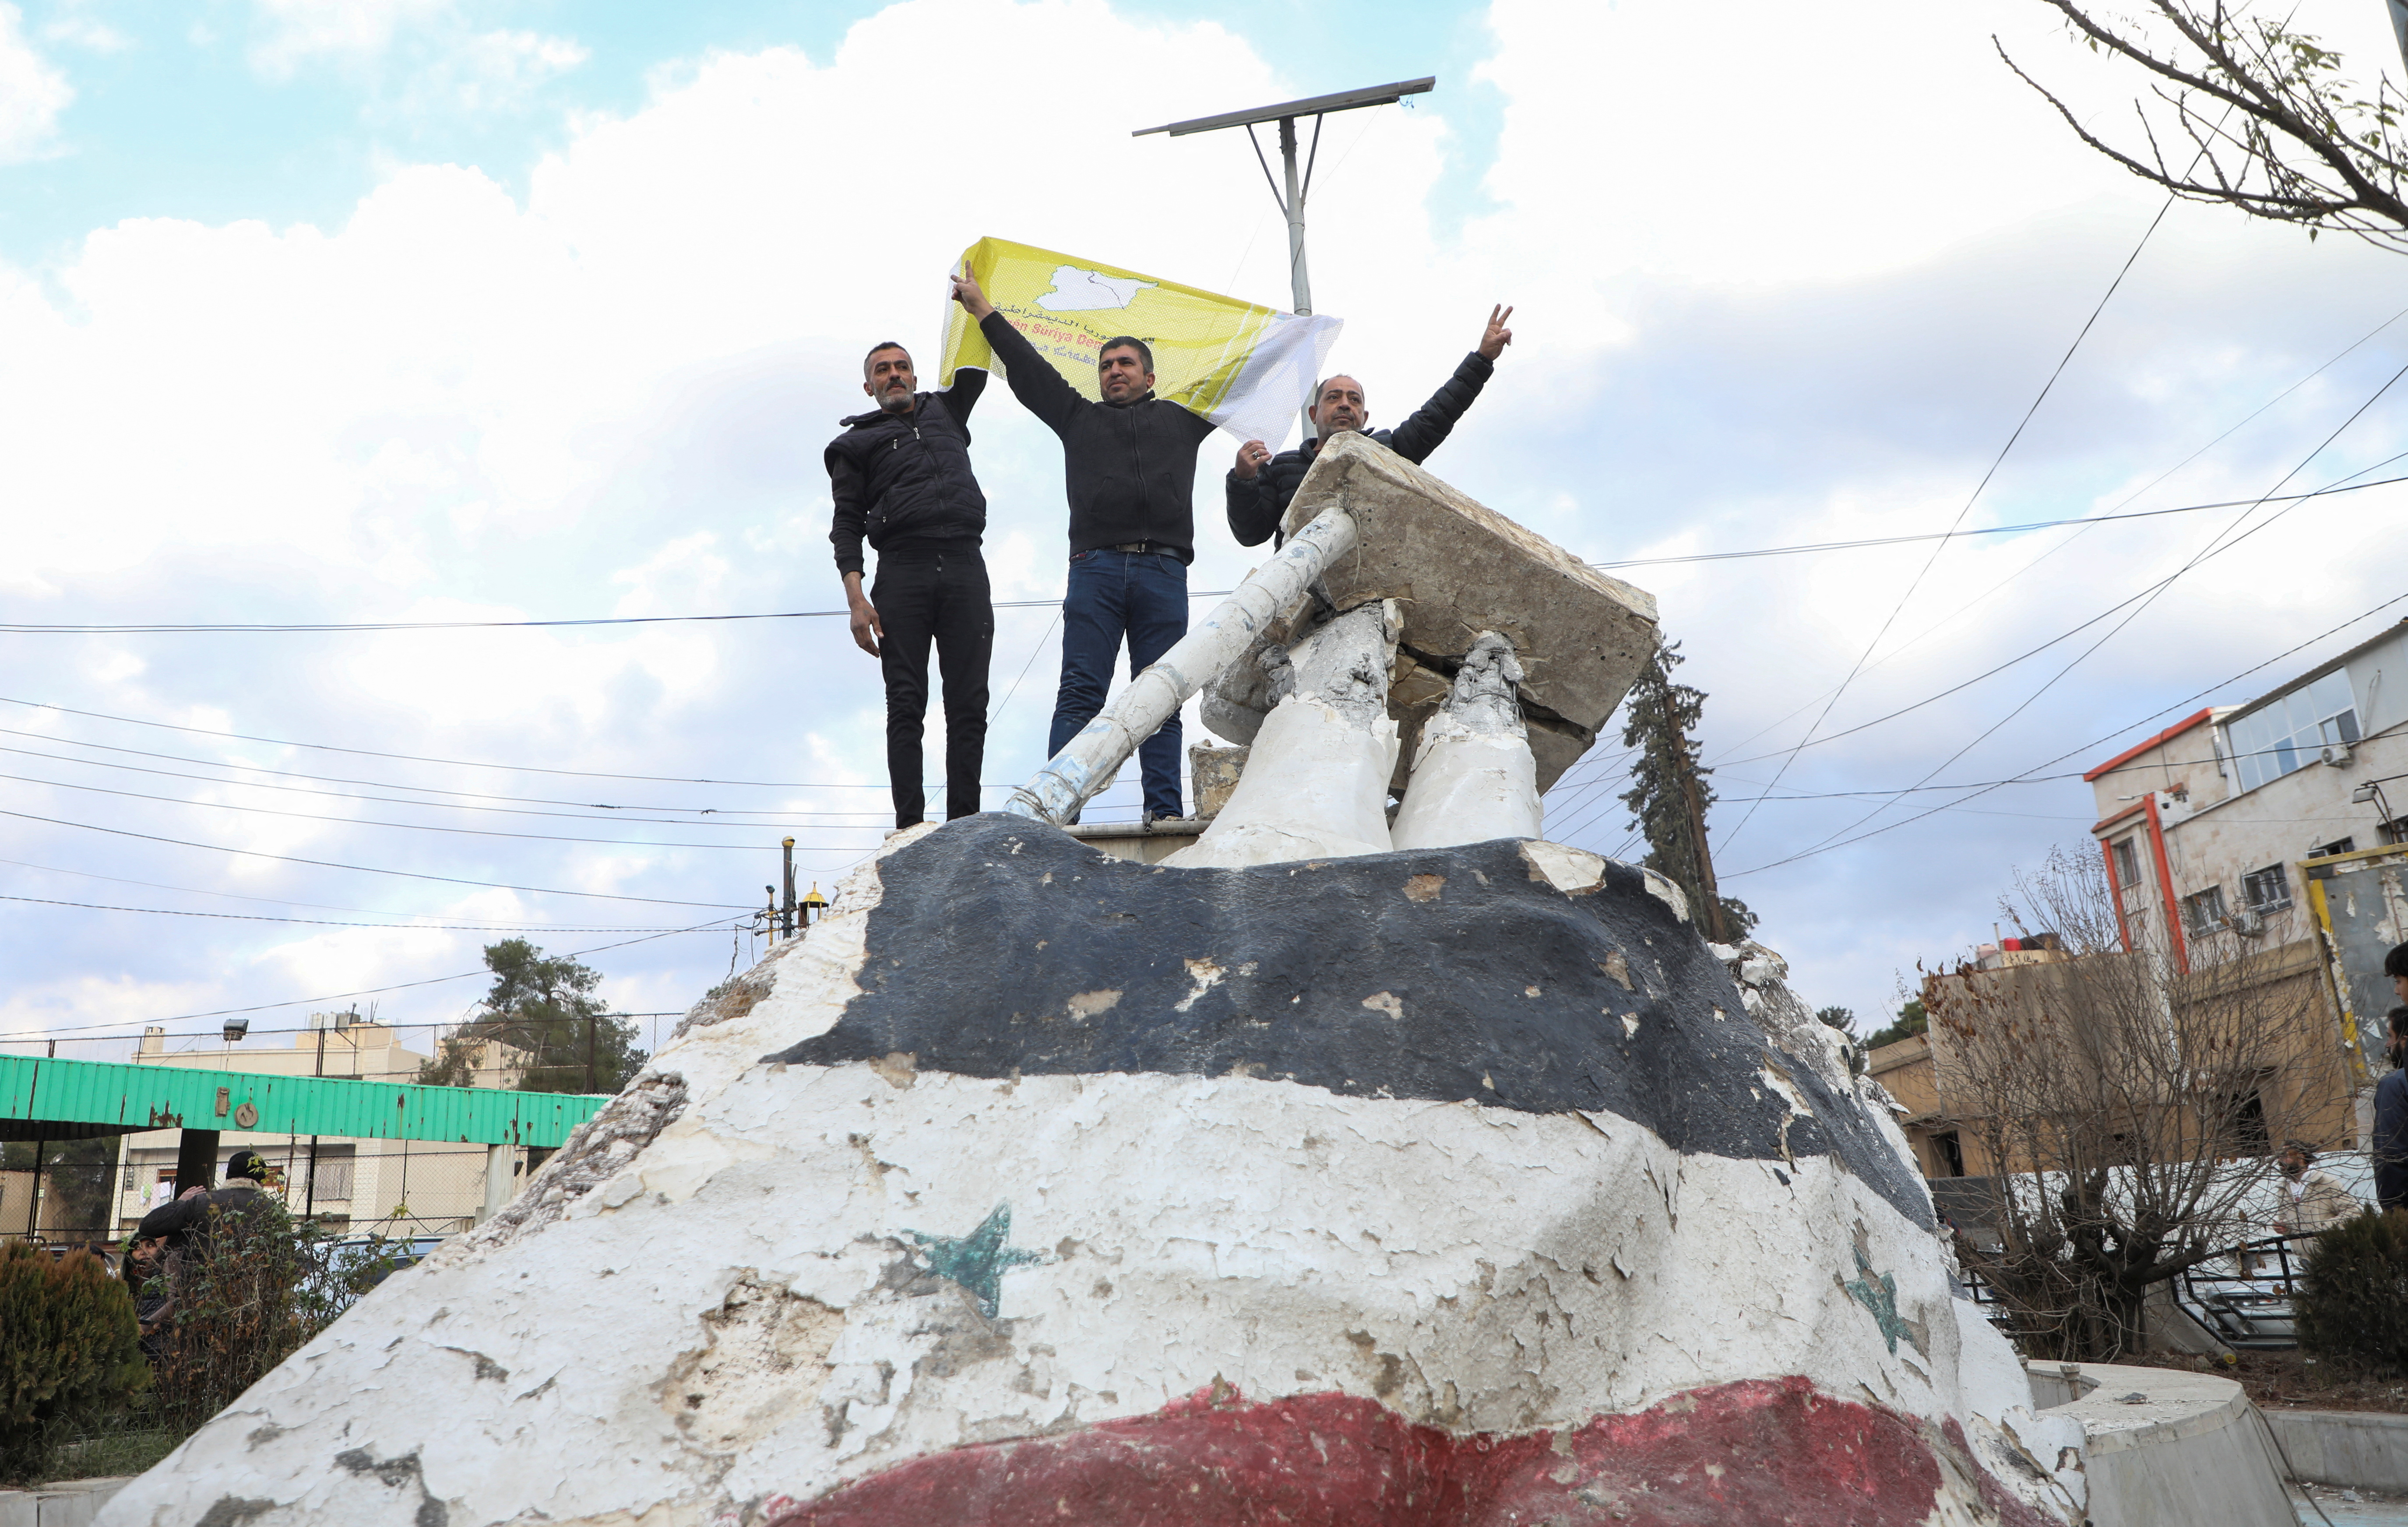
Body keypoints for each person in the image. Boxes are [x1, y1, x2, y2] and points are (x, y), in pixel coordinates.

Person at [951, 271, 1215, 821]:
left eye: (1125, 363)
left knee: (1162, 698)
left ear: (1149, 376)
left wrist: (1294, 337)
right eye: (1106, 365)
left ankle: (1165, 814)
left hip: (1165, 573)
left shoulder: (1183, 419)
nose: (1114, 371)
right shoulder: (1078, 418)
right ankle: (1059, 814)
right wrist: (983, 311)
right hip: (1095, 570)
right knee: (1079, 693)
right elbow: (1028, 368)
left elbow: (1240, 375)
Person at [827, 340, 996, 829]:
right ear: (869, 387)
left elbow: (976, 362)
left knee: (969, 702)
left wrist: (977, 304)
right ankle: (910, 829)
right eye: (882, 370)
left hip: (965, 564)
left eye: (902, 367)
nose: (894, 375)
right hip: (902, 571)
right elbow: (846, 525)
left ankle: (964, 825)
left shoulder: (947, 409)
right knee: (906, 702)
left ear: (916, 378)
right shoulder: (854, 445)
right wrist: (856, 601)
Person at [1226, 306, 1515, 549]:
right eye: (1334, 397)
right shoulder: (1279, 468)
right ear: (1314, 413)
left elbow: (1438, 413)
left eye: (1354, 400)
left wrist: (1482, 359)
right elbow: (1251, 534)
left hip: (1376, 591)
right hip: (1303, 593)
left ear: (1364, 416)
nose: (1345, 405)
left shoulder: (1388, 452)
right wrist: (1242, 480)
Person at [134, 1149, 274, 1253]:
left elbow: (148, 1226)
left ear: (229, 1177)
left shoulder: (202, 1202)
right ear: (262, 1181)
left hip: (201, 1281)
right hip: (254, 1282)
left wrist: (180, 1202)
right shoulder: (271, 1209)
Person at [2271, 1140, 2358, 1234]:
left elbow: (2354, 1213)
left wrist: (2324, 1229)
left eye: (2285, 1155)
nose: (2279, 1161)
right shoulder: (2283, 1188)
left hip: (2326, 1243)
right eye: (2279, 1156)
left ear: (2300, 1157)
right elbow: (2284, 1220)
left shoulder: (2325, 1182)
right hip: (2298, 1245)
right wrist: (2285, 1227)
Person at [2376, 999, 2408, 1214]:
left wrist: (2394, 1214)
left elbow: (2391, 1155)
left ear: (2404, 1041)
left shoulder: (2395, 1084)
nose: (2388, 1045)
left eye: (2390, 1037)